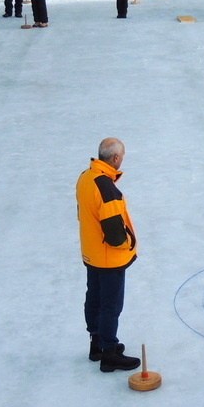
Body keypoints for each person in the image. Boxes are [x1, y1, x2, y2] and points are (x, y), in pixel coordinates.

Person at [77, 137, 142, 373]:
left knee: (94, 298)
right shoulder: (107, 189)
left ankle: (97, 344)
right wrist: (129, 243)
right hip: (108, 258)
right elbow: (115, 235)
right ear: (115, 158)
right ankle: (109, 354)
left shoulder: (86, 177)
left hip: (91, 253)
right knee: (110, 306)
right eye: (122, 156)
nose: (122, 160)